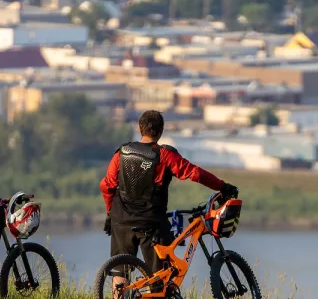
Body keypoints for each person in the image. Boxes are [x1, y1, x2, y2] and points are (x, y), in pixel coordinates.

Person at [99, 110, 236, 275]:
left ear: (140, 128)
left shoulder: (121, 153)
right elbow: (195, 174)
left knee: (119, 271)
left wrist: (110, 213)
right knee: (158, 276)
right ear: (161, 131)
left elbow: (106, 186)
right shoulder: (164, 155)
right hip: (152, 222)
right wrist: (222, 186)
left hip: (121, 219)